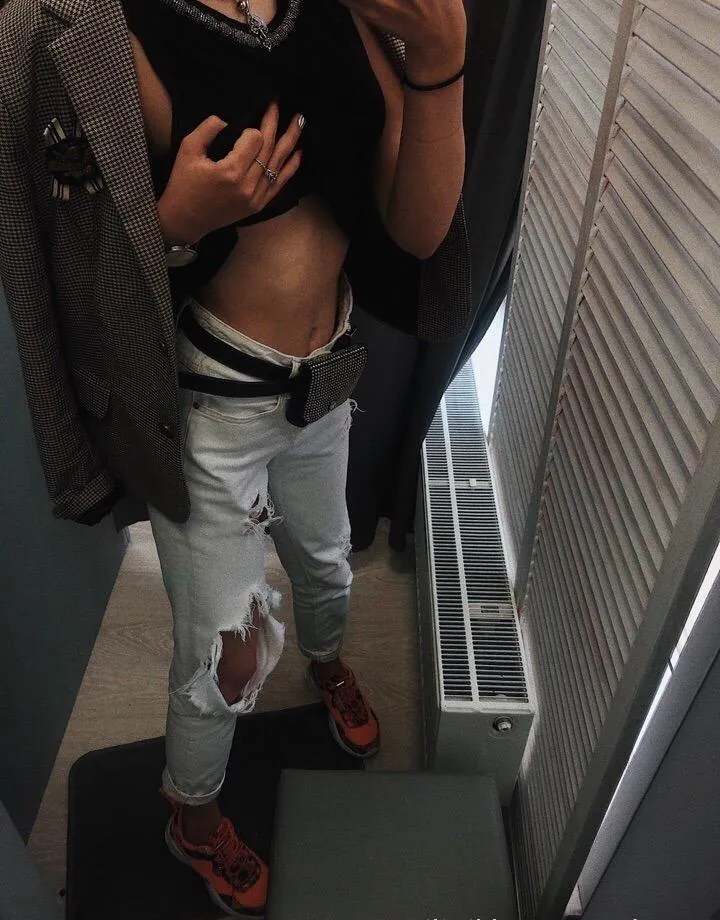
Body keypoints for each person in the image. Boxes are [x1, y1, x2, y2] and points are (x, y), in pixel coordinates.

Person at [0, 0, 465, 913]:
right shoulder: (85, 30)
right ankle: (194, 813)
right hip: (211, 406)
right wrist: (175, 222)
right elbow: (67, 283)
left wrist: (441, 64)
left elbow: (416, 230)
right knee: (227, 657)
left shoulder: (346, 9)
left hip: (326, 376)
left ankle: (326, 661)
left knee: (328, 562)